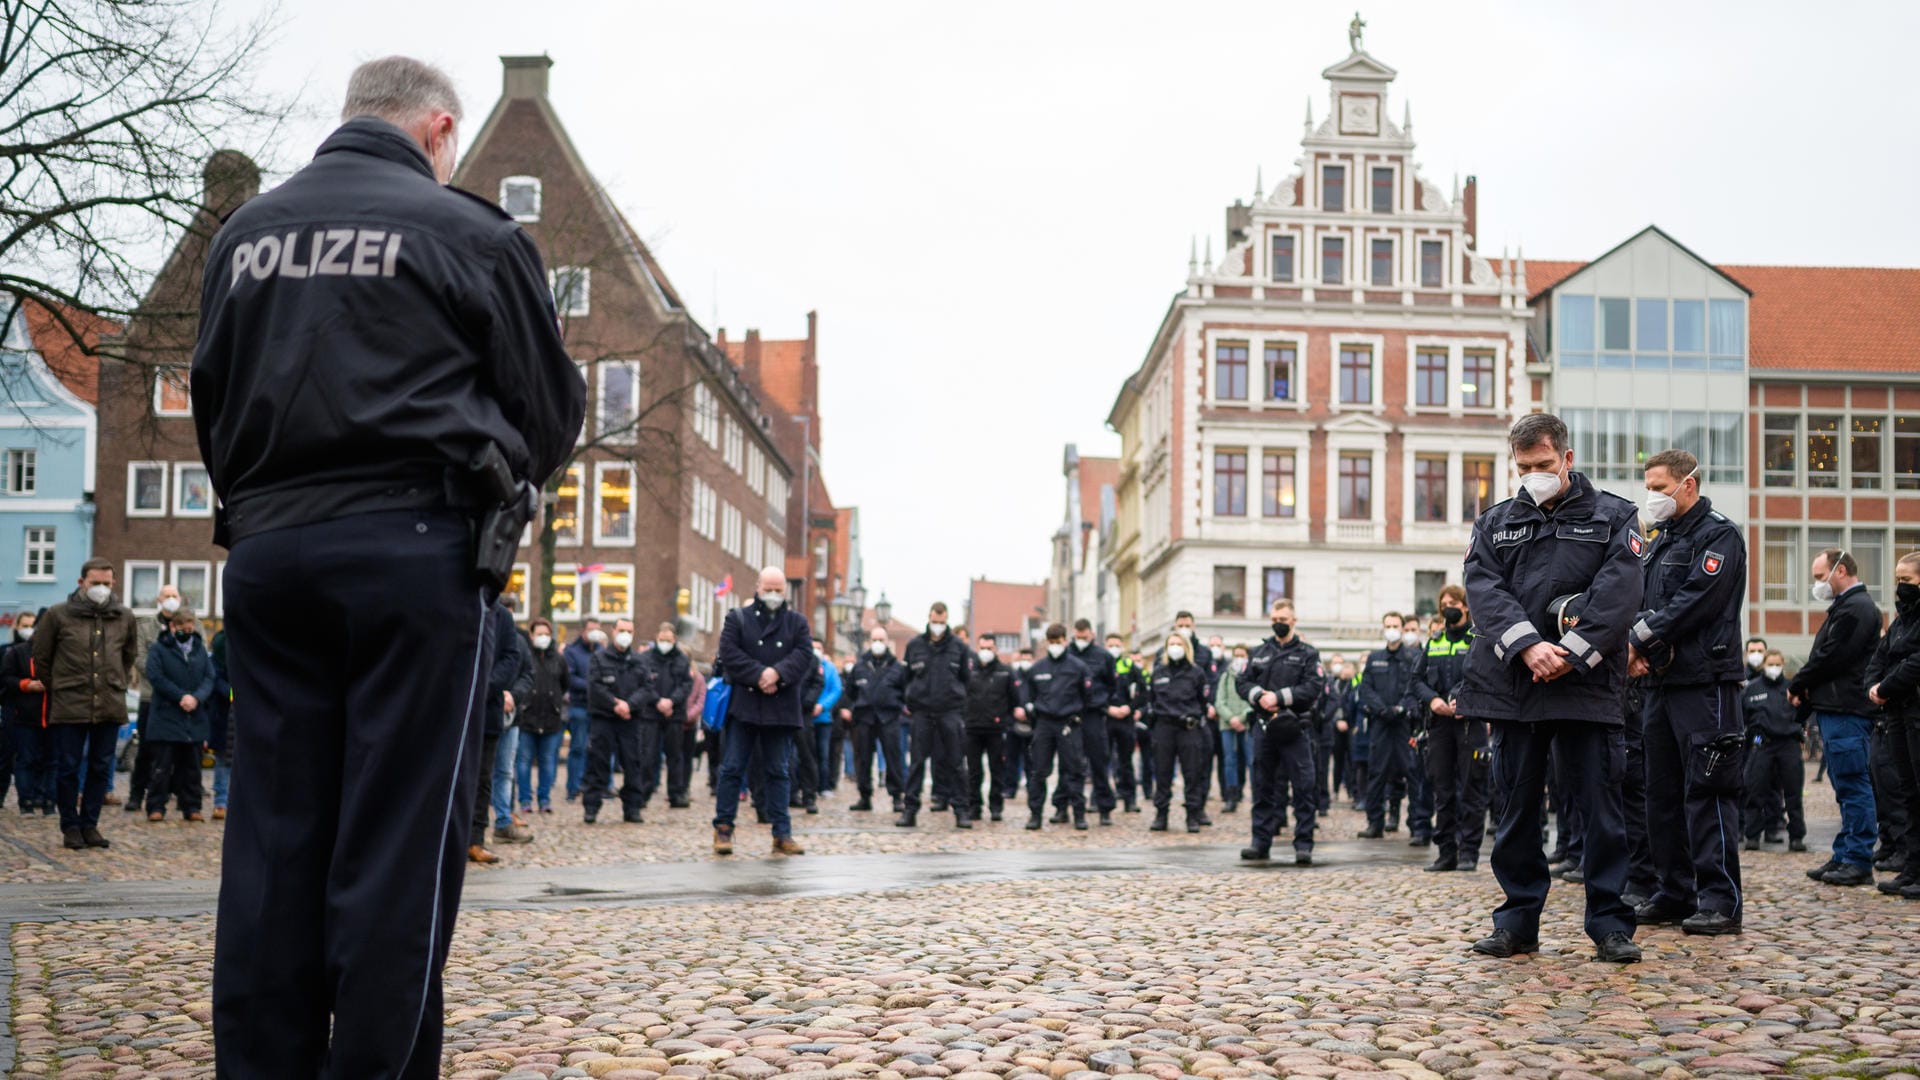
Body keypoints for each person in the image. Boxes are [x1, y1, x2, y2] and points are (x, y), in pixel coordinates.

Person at [194, 55, 584, 1075]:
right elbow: (551, 412)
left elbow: (212, 399)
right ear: (440, 130)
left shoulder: (243, 237)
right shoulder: (471, 232)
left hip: (272, 551)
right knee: (398, 837)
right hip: (412, 549)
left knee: (274, 832)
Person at [1458, 412, 1644, 964]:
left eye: (1542, 465)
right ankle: (1517, 922)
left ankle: (1610, 923)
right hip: (1514, 685)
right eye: (1523, 467)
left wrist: (1574, 652)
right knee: (1515, 810)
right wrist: (1528, 646)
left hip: (1585, 686)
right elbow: (1484, 589)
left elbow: (1620, 590)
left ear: (1566, 458)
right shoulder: (1495, 522)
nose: (1532, 475)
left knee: (1601, 810)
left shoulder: (1616, 516)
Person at [1626, 449, 1748, 935]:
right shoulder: (1660, 540)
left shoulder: (1718, 535)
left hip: (1705, 682)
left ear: (1687, 485)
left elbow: (1694, 600)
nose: (1652, 496)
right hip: (1661, 681)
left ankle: (1720, 900)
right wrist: (1632, 637)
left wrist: (1639, 637)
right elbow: (1640, 598)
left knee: (1708, 790)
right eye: (1649, 487)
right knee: (1662, 793)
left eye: (1659, 487)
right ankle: (1674, 891)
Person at [33, 559, 139, 851]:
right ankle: (70, 825)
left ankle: (90, 824)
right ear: (82, 583)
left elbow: (128, 655)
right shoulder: (58, 615)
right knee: (68, 766)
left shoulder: (124, 617)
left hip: (108, 701)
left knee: (100, 767)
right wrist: (59, 685)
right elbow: (41, 656)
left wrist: (113, 680)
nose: (102, 589)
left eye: (107, 583)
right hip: (71, 702)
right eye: (96, 583)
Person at [1791, 549, 1881, 887]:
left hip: (1847, 709)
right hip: (1836, 708)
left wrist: (1799, 682)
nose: (1817, 584)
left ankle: (1857, 858)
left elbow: (1832, 657)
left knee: (1853, 785)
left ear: (1840, 570)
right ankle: (1845, 853)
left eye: (1819, 576)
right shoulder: (1847, 608)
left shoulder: (1857, 609)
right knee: (1844, 787)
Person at [712, 567, 814, 856]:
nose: (773, 594)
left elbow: (803, 655)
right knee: (732, 768)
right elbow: (729, 653)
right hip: (745, 703)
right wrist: (759, 675)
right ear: (757, 587)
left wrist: (777, 674)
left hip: (779, 706)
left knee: (778, 771)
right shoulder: (738, 618)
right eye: (768, 588)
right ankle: (723, 828)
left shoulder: (796, 622)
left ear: (785, 591)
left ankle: (782, 833)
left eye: (778, 589)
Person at [1235, 598, 1321, 864]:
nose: (1278, 625)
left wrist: (1280, 697)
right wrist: (1258, 694)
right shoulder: (1258, 652)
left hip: (1294, 726)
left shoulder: (1308, 653)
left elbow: (1313, 686)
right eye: (1274, 620)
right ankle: (1260, 842)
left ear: (1293, 621)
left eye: (1283, 620)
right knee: (1262, 786)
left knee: (1303, 786)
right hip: (1264, 727)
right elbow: (1242, 681)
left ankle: (1303, 844)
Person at [1413, 584, 1486, 872]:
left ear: (1465, 606)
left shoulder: (1477, 638)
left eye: (1453, 601)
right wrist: (1432, 700)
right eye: (1443, 603)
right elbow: (1416, 680)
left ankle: (1468, 852)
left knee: (1471, 789)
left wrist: (1458, 698)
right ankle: (1445, 853)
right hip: (1439, 725)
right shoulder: (1434, 641)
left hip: (1469, 723)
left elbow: (1480, 673)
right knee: (1442, 790)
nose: (1448, 606)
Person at [1866, 552, 1920, 899]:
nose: (1900, 587)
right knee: (1908, 793)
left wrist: (1885, 687)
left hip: (1914, 710)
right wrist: (1874, 686)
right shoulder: (1902, 621)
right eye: (1897, 580)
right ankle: (1912, 868)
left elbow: (1915, 663)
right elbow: (1881, 656)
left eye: (1907, 581)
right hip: (1898, 714)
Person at [898, 603, 970, 828]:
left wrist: (956, 700)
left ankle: (961, 811)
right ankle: (910, 810)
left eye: (941, 622)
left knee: (957, 763)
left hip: (949, 711)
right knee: (917, 763)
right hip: (922, 711)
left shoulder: (958, 647)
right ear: (928, 618)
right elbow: (906, 677)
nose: (937, 626)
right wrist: (911, 698)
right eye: (934, 621)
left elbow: (966, 679)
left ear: (947, 620)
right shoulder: (915, 645)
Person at [1017, 623, 1093, 830]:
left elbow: (1087, 697)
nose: (1054, 646)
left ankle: (1078, 814)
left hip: (1069, 723)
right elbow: (1028, 695)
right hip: (1044, 724)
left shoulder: (1078, 667)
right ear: (1046, 643)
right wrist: (1033, 714)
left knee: (1074, 770)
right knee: (1038, 771)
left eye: (1057, 642)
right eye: (1051, 642)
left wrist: (1076, 715)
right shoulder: (1038, 668)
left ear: (1065, 641)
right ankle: (1035, 815)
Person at [142, 608, 215, 822]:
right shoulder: (159, 649)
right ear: (173, 627)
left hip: (193, 718)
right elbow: (156, 676)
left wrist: (197, 698)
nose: (187, 633)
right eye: (183, 629)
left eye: (190, 629)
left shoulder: (199, 649)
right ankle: (156, 806)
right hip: (167, 716)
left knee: (192, 768)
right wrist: (181, 696)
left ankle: (192, 806)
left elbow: (209, 677)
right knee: (161, 767)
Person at [472, 597, 530, 859]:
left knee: (484, 778)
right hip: (453, 709)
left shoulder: (501, 617)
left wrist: (484, 686)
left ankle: (475, 839)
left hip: (487, 709)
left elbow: (511, 657)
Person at [1357, 612, 1420, 840]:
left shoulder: (1413, 657)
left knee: (1412, 774)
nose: (1391, 629)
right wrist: (1381, 709)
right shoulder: (1375, 658)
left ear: (1403, 629)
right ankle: (1375, 823)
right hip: (1381, 724)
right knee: (1377, 773)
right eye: (1388, 625)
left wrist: (1402, 708)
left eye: (1395, 625)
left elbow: (1415, 687)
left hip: (1404, 724)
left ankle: (1417, 825)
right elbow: (1366, 688)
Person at [584, 618, 650, 826]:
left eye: (629, 631)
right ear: (613, 631)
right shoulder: (599, 658)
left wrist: (629, 705)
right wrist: (615, 704)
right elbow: (595, 686)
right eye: (621, 630)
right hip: (604, 718)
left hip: (630, 720)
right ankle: (592, 807)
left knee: (632, 764)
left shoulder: (639, 661)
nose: (625, 634)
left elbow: (646, 688)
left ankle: (632, 808)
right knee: (598, 762)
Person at [124, 583, 182, 812]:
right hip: (152, 696)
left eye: (174, 595)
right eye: (166, 595)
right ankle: (137, 795)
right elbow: (139, 658)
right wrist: (165, 677)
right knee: (146, 749)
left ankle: (176, 794)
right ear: (159, 599)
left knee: (180, 751)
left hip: (180, 699)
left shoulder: (191, 623)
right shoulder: (146, 626)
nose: (170, 599)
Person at [1147, 630, 1212, 833]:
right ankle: (1161, 815)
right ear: (1166, 649)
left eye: (1179, 644)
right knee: (1163, 773)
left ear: (1186, 647)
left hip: (1188, 728)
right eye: (1171, 644)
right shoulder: (1159, 672)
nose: (1175, 648)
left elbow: (1203, 702)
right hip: (1164, 727)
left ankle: (1192, 815)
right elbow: (1151, 700)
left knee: (1192, 774)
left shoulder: (1196, 673)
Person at [1743, 649, 1805, 852]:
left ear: (1783, 664)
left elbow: (1803, 713)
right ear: (1764, 665)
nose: (1774, 668)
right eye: (1771, 663)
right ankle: (1752, 835)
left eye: (1778, 664)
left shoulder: (1791, 688)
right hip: (1763, 743)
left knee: (1793, 793)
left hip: (1789, 744)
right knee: (1755, 789)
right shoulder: (1751, 689)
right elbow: (1743, 718)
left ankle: (1796, 837)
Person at [1065, 620, 1123, 825]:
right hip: (1071, 714)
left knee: (1099, 762)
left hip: (1094, 714)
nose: (1081, 640)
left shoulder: (1103, 656)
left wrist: (1103, 703)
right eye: (1078, 637)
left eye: (1085, 637)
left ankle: (1104, 807)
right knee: (1070, 765)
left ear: (1091, 634)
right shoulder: (1066, 654)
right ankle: (1064, 807)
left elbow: (1111, 684)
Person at [842, 628, 906, 811]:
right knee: (863, 758)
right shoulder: (860, 665)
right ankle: (864, 796)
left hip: (889, 717)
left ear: (887, 641)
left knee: (893, 758)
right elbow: (850, 691)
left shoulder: (897, 667)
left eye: (881, 639)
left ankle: (896, 797)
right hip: (865, 717)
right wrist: (853, 707)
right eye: (875, 639)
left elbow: (905, 690)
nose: (878, 642)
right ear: (870, 641)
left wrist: (898, 706)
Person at [513, 617, 568, 816]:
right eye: (539, 634)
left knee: (547, 761)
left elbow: (564, 683)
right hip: (528, 717)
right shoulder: (524, 656)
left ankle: (544, 799)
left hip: (551, 719)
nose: (543, 638)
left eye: (546, 634)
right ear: (531, 635)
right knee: (524, 760)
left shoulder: (559, 659)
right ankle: (525, 799)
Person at [636, 623, 694, 812]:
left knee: (675, 756)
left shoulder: (682, 660)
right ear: (656, 638)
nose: (664, 643)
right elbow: (643, 683)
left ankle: (676, 794)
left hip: (674, 714)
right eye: (661, 640)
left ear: (674, 640)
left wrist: (671, 702)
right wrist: (658, 701)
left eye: (668, 640)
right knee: (648, 755)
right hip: (651, 713)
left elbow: (686, 685)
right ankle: (643, 792)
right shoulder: (645, 658)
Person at [489, 597, 532, 846]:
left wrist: (512, 695)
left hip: (511, 715)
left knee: (505, 770)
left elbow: (528, 674)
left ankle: (503, 819)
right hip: (487, 710)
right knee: (481, 771)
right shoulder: (484, 633)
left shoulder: (519, 642)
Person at [962, 636, 1017, 823]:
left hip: (996, 728)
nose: (986, 651)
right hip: (972, 728)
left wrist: (1005, 721)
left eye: (990, 648)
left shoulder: (1006, 672)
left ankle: (996, 807)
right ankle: (974, 807)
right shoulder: (968, 671)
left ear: (996, 649)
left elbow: (1014, 701)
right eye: (983, 647)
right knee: (973, 771)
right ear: (978, 648)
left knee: (997, 770)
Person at [1, 611, 51, 814]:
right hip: (21, 714)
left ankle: (44, 799)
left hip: (49, 715)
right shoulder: (13, 651)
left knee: (47, 761)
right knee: (18, 759)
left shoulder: (56, 652)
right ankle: (26, 801)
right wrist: (25, 684)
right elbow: (5, 679)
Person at [563, 619, 604, 801]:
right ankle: (574, 787)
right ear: (583, 631)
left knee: (596, 749)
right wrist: (593, 686)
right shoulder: (572, 652)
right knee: (578, 748)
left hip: (599, 708)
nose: (594, 632)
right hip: (579, 706)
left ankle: (594, 785)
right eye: (591, 629)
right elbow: (570, 678)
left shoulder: (602, 652)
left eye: (597, 629)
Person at [1109, 632, 1148, 812]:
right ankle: (1099, 799)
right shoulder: (1101, 664)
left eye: (1117, 645)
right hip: (1106, 718)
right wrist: (1107, 708)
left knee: (1126, 761)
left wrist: (1130, 708)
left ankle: (1129, 800)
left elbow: (1144, 692)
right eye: (1111, 645)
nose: (1114, 648)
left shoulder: (1129, 666)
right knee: (1101, 760)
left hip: (1125, 720)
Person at [1216, 644, 1253, 813]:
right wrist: (1231, 718)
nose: (1239, 658)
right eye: (1236, 655)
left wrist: (1243, 717)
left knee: (1252, 760)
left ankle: (1256, 795)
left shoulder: (1252, 676)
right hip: (1227, 725)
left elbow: (1253, 700)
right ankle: (1231, 796)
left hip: (1247, 725)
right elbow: (1220, 701)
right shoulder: (1226, 676)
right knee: (1229, 761)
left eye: (1242, 655)